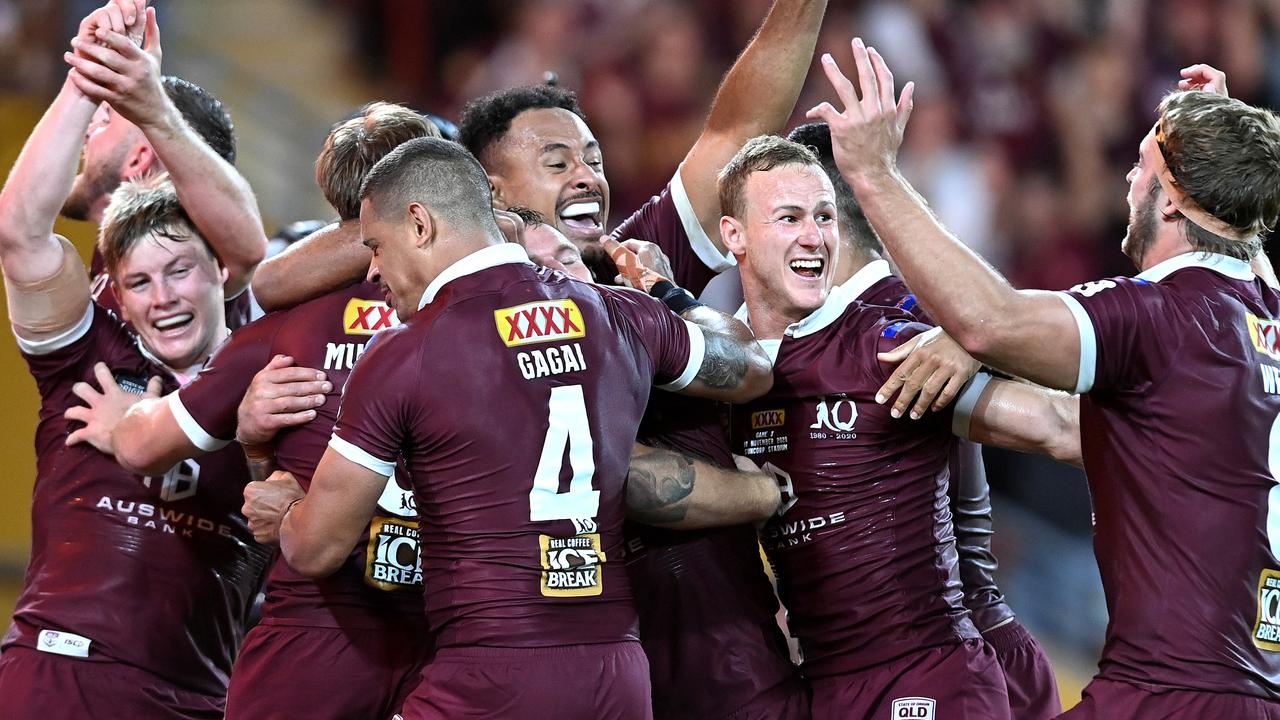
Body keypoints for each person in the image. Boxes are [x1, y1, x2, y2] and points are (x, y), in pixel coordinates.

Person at [812, 41, 1280, 718]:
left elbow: (989, 320)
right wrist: (1227, 141)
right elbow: (1063, 419)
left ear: (1175, 201)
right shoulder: (1260, 307)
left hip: (1169, 694)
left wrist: (875, 173)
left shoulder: (1163, 317)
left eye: (1144, 165)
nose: (1128, 180)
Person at [276, 136, 772, 719]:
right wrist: (666, 292)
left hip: (492, 673)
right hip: (618, 675)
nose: (373, 268)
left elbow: (315, 548)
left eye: (376, 246)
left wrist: (282, 501)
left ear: (419, 224)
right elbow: (751, 369)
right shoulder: (616, 312)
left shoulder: (403, 354)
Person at [75, 101, 439, 720]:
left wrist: (126, 421)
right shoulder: (508, 301)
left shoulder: (286, 325)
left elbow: (144, 444)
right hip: (467, 631)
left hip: (320, 634)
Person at [705, 134, 1079, 720]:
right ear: (735, 235)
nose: (811, 234)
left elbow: (1059, 425)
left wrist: (979, 338)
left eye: (821, 214)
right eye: (788, 216)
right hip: (824, 683)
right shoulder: (727, 372)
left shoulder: (891, 340)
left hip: (935, 662)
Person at [0, 98, 269, 719]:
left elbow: (251, 249)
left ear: (218, 271)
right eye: (140, 282)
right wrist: (81, 82)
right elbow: (19, 230)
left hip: (198, 698)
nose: (163, 298)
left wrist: (164, 434)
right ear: (114, 287)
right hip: (56, 673)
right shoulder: (86, 353)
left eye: (179, 271)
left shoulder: (268, 362)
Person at [58, 0, 266, 329]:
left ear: (139, 159)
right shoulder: (116, 251)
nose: (87, 130)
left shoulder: (200, 257)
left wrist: (154, 112)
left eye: (106, 120)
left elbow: (250, 250)